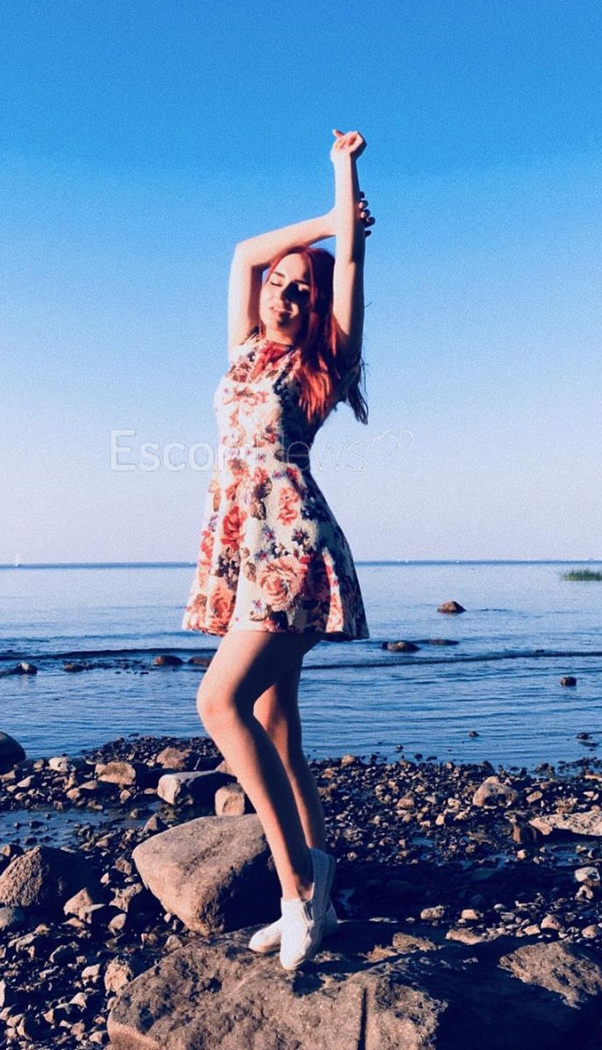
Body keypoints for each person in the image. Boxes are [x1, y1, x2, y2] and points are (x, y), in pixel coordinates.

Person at [182, 129, 373, 970]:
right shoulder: (242, 349)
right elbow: (242, 253)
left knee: (217, 703)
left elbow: (350, 267)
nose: (285, 297)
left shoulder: (322, 361)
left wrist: (344, 186)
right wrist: (322, 222)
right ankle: (322, 897)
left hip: (292, 546)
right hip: (243, 543)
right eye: (279, 285)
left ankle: (296, 889)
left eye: (302, 290)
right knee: (275, 722)